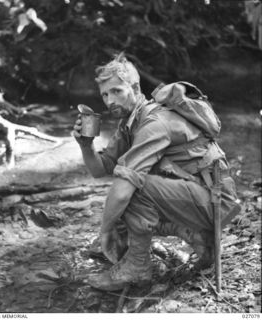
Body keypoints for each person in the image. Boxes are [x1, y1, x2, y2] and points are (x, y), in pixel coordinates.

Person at [72, 53, 240, 291]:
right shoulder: (131, 123)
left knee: (129, 189)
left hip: (216, 203)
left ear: (136, 87)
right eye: (105, 94)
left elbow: (122, 191)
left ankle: (137, 268)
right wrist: (85, 145)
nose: (110, 100)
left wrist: (104, 232)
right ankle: (195, 237)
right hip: (201, 196)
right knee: (120, 202)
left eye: (117, 91)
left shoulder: (154, 123)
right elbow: (100, 169)